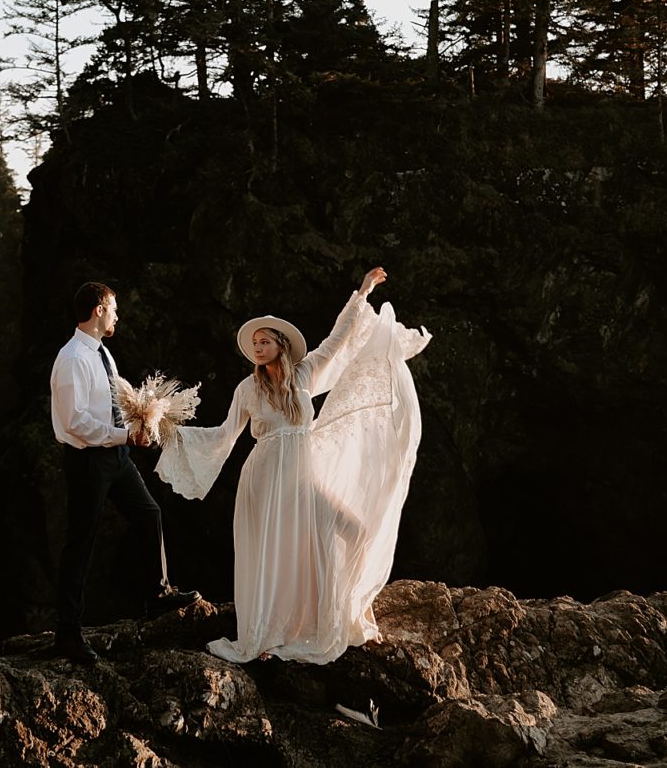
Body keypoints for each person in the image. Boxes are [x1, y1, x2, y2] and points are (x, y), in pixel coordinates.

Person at [154, 266, 431, 664]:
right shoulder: (247, 389)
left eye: (265, 342)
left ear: (281, 346)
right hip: (264, 479)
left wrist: (363, 292)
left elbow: (338, 339)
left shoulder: (305, 375)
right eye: (255, 344)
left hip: (301, 476)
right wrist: (171, 430)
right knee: (275, 553)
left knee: (350, 530)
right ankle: (270, 629)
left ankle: (330, 615)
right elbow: (224, 435)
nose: (259, 348)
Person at [50, 281, 200, 665]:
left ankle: (156, 595)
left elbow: (115, 399)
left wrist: (144, 418)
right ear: (99, 309)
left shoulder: (103, 354)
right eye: (114, 308)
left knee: (149, 514)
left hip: (115, 456)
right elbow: (75, 421)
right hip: (87, 460)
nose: (118, 315)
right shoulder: (71, 359)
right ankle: (67, 634)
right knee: (80, 543)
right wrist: (125, 435)